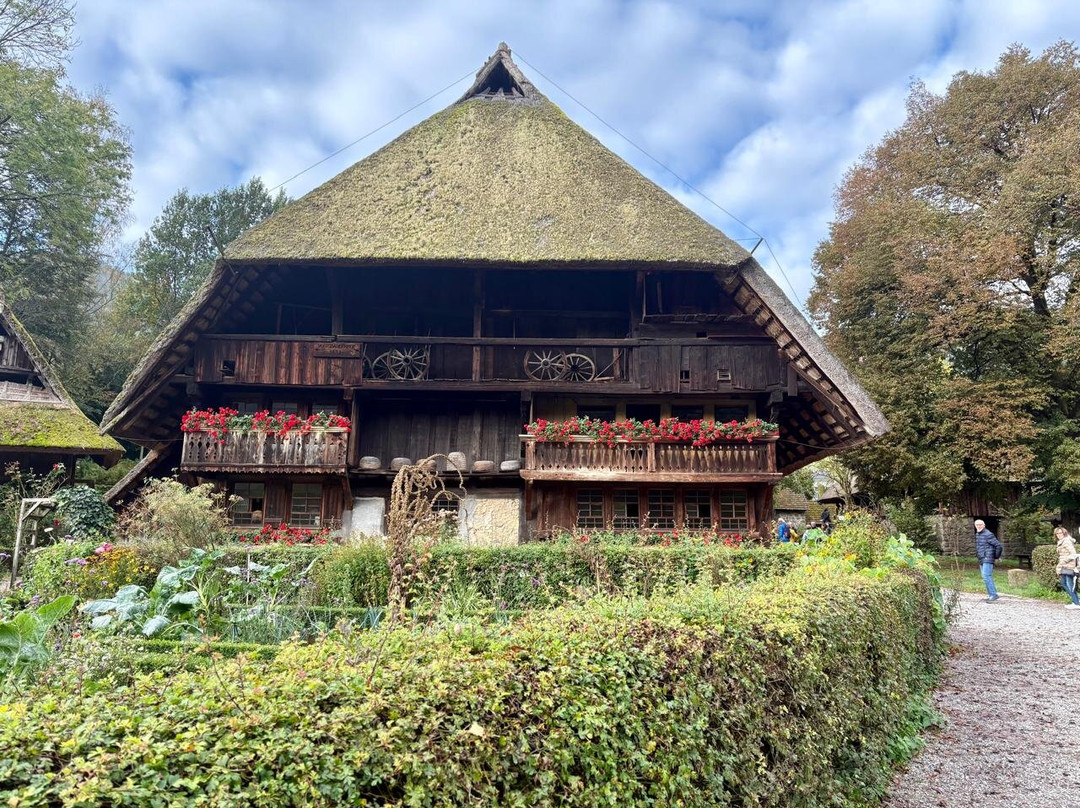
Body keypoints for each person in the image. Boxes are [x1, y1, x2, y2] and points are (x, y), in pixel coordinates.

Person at [974, 519, 1003, 603]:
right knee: (985, 577)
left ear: (984, 525)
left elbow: (998, 546)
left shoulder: (988, 534)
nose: (979, 526)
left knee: (986, 576)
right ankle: (991, 595)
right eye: (977, 525)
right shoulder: (978, 534)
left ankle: (993, 595)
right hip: (981, 558)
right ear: (975, 526)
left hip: (988, 558)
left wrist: (996, 557)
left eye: (980, 525)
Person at [1053, 526, 1080, 610]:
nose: (1059, 534)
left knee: (1069, 584)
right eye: (1057, 533)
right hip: (1064, 565)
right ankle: (1076, 601)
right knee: (1063, 583)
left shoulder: (1066, 541)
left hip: (1069, 565)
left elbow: (1073, 553)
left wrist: (1064, 561)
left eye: (1060, 533)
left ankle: (1076, 603)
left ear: (1064, 533)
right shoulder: (1061, 541)